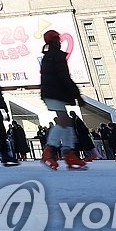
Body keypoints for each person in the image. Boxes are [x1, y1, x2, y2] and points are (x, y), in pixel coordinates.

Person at [38, 29, 84, 170]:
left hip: (52, 92)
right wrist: (77, 94)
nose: (59, 41)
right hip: (55, 92)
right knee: (64, 121)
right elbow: (64, 76)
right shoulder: (56, 55)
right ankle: (51, 150)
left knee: (67, 122)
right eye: (58, 39)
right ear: (55, 41)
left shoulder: (48, 56)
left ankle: (68, 152)